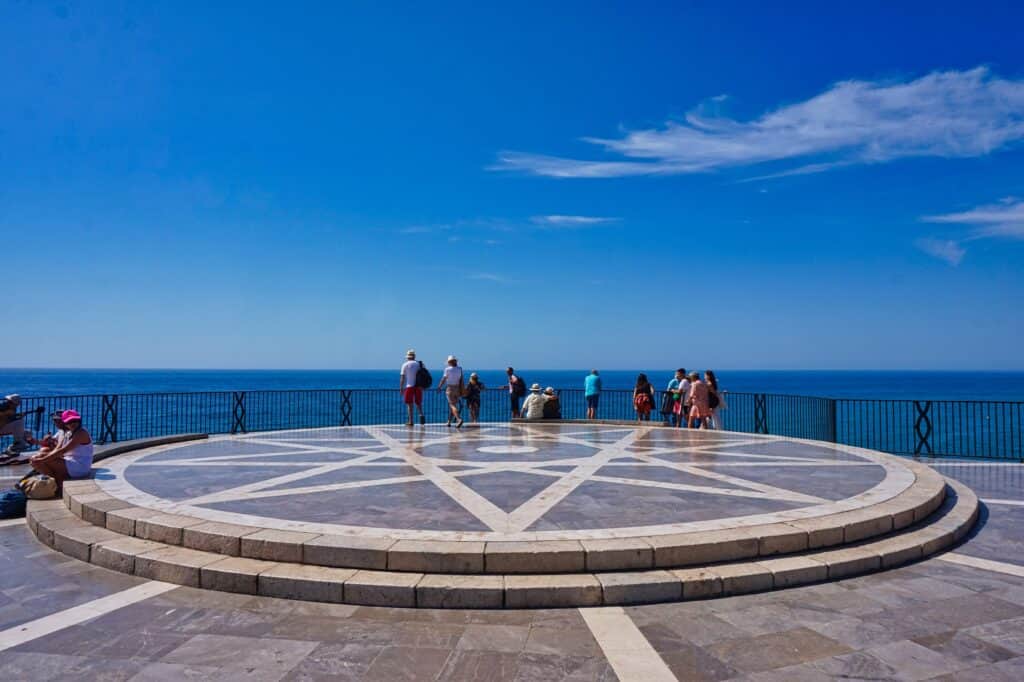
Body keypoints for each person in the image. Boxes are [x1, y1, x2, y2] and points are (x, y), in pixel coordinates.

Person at [28, 410, 93, 493]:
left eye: (75, 421)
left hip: (80, 466)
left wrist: (42, 460)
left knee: (38, 460)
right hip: (71, 462)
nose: (72, 423)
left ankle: (57, 484)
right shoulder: (67, 432)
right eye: (69, 422)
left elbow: (63, 450)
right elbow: (58, 449)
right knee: (35, 458)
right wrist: (42, 457)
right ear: (65, 423)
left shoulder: (81, 433)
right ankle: (57, 482)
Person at [399, 350, 427, 426]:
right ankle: (421, 415)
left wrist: (401, 388)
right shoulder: (420, 364)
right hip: (418, 386)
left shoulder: (405, 365)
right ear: (414, 356)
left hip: (409, 386)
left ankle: (411, 421)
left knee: (409, 404)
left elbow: (402, 378)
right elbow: (425, 374)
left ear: (407, 357)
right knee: (418, 403)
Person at [437, 355, 465, 428]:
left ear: (449, 362)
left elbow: (443, 379)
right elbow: (461, 379)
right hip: (457, 388)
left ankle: (459, 419)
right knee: (452, 406)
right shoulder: (460, 369)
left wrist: (439, 387)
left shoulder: (447, 369)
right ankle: (449, 421)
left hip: (450, 388)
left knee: (452, 405)